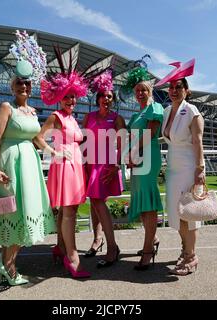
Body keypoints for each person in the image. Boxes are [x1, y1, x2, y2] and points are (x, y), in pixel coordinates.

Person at [0, 30, 55, 286]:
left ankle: (7, 262)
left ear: (31, 86)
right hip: (10, 164)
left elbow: (37, 139)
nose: (23, 86)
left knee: (24, 212)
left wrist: (55, 152)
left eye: (27, 83)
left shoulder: (33, 112)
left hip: (29, 165)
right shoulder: (7, 107)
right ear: (12, 86)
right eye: (19, 83)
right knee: (11, 212)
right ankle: (9, 266)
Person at [35, 46, 104, 278]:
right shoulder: (56, 117)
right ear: (59, 98)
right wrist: (52, 152)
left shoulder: (72, 118)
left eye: (73, 96)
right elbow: (37, 138)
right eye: (66, 97)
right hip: (64, 165)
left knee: (68, 210)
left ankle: (60, 247)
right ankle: (72, 258)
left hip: (75, 165)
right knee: (69, 212)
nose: (70, 100)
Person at [155, 58, 202, 275]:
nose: (174, 90)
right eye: (171, 87)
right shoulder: (166, 112)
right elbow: (166, 138)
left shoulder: (192, 111)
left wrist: (200, 170)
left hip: (188, 167)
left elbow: (197, 141)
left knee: (187, 214)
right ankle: (185, 250)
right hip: (173, 168)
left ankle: (191, 257)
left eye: (178, 87)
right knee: (176, 212)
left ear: (186, 90)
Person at [121, 64, 164, 271]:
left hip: (147, 156)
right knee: (140, 200)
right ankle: (152, 239)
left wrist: (132, 153)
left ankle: (147, 251)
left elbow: (148, 134)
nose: (140, 93)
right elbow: (130, 135)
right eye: (137, 90)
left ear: (150, 91)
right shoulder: (138, 112)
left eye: (143, 90)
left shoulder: (154, 108)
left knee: (147, 202)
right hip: (136, 158)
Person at [82, 70, 126, 267]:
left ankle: (112, 247)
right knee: (94, 202)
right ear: (98, 98)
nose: (106, 99)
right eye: (103, 96)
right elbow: (82, 140)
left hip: (106, 163)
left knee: (99, 202)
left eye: (109, 96)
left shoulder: (117, 119)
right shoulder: (88, 117)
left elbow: (123, 143)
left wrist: (118, 164)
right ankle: (97, 240)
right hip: (89, 163)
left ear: (112, 99)